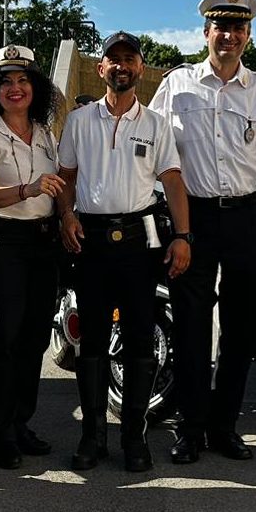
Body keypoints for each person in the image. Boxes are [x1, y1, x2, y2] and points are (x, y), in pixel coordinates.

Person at [148, 0, 256, 465]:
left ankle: (224, 426)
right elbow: (150, 146)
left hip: (249, 217)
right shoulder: (176, 85)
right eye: (221, 26)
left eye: (238, 28)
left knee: (240, 329)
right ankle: (189, 428)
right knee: (191, 326)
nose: (228, 35)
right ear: (206, 31)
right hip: (193, 217)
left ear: (248, 35)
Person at [58, 31, 191, 472]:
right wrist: (66, 216)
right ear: (101, 69)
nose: (120, 66)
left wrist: (183, 236)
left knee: (139, 342)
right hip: (91, 240)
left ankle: (135, 437)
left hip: (140, 240)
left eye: (129, 59)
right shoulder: (79, 121)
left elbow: (172, 180)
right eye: (112, 59)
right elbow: (67, 175)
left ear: (140, 68)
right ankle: (92, 436)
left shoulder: (156, 125)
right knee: (92, 342)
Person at [0, 45, 65, 469]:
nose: (15, 88)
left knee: (35, 338)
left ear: (35, 87)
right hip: (3, 243)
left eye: (23, 80)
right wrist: (25, 190)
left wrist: (67, 217)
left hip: (44, 243)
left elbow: (58, 185)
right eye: (6, 81)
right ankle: (0, 429)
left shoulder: (44, 132)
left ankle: (21, 421)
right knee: (3, 339)